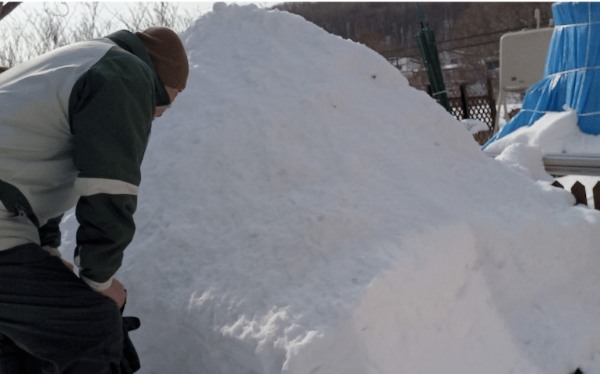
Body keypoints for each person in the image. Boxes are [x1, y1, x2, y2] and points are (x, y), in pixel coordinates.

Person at [0, 26, 189, 373]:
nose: (160, 114)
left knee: (23, 343)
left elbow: (34, 178)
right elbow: (109, 190)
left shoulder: (72, 62)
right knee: (94, 331)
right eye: (170, 99)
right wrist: (97, 283)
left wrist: (48, 254)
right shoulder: (124, 74)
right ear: (162, 82)